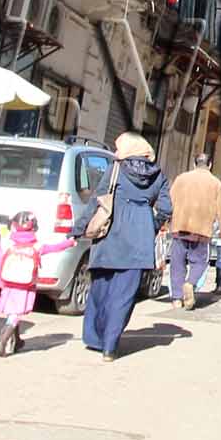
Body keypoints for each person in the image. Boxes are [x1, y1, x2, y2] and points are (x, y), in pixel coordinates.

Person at [74, 132, 171, 359]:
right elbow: (166, 209)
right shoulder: (159, 176)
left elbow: (96, 202)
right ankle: (110, 345)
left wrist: (79, 229)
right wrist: (150, 226)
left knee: (101, 292)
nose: (117, 152)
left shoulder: (115, 169)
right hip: (139, 242)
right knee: (124, 296)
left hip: (110, 238)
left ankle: (95, 338)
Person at [168, 153, 221, 310]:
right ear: (210, 165)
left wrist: (164, 223)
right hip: (202, 230)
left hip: (179, 228)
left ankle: (176, 299)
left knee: (177, 263)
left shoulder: (181, 179)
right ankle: (190, 283)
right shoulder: (216, 184)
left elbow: (169, 202)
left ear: (194, 164)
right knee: (200, 262)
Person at [0, 212, 44, 357]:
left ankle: (17, 340)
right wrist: (70, 242)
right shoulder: (36, 246)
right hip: (24, 286)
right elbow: (54, 248)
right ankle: (3, 339)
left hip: (8, 284)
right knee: (16, 314)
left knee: (12, 311)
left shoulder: (8, 244)